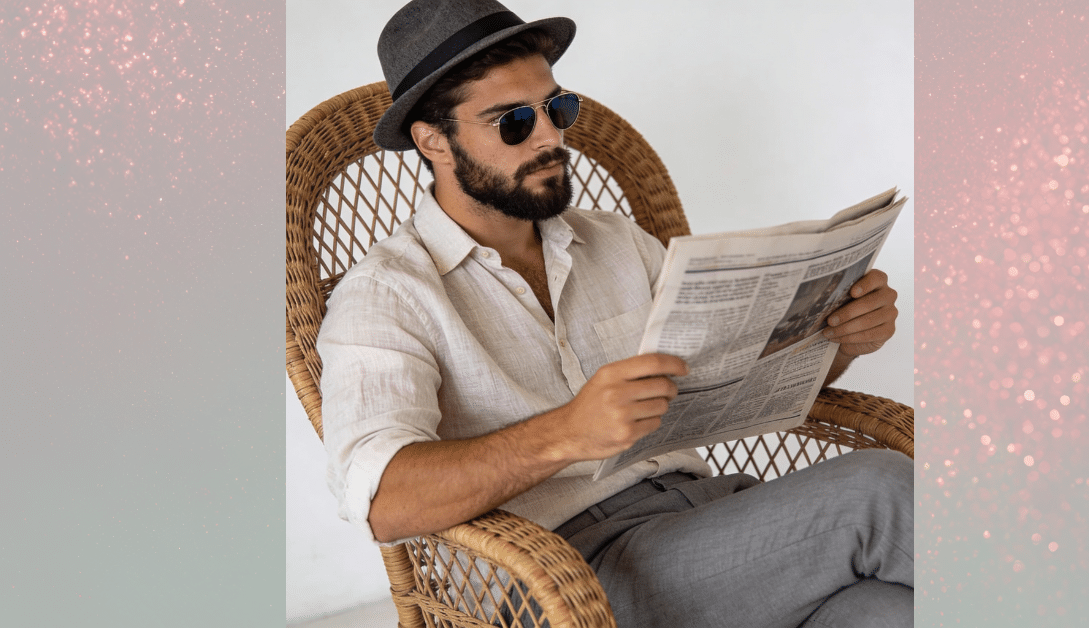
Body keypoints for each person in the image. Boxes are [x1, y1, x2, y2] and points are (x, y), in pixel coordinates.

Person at [316, 1, 914, 626]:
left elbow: (729, 386)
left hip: (708, 523)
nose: (551, 136)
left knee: (888, 611)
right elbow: (383, 498)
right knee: (875, 491)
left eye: (558, 109)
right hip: (569, 574)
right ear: (434, 140)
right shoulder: (387, 295)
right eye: (514, 122)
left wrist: (838, 339)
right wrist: (566, 432)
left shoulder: (616, 242)